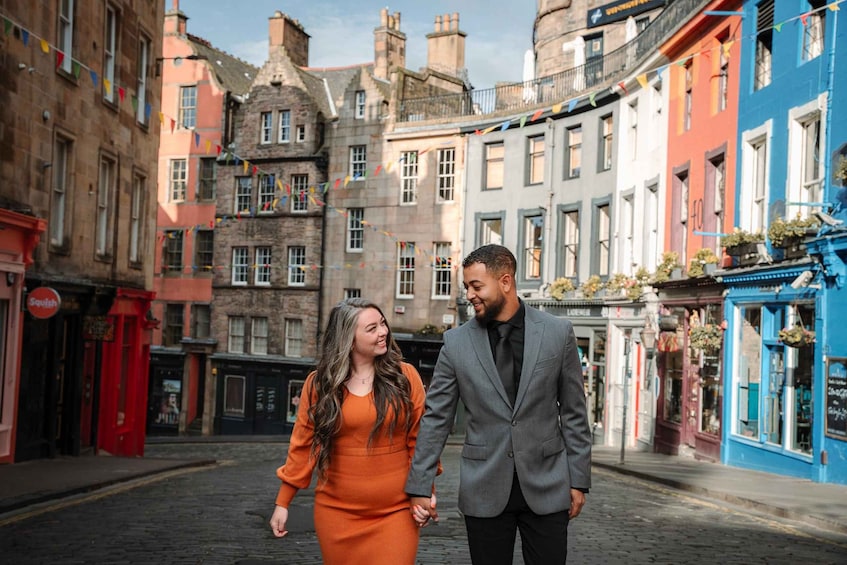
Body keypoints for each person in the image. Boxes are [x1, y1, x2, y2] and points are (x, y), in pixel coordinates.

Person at [406, 244, 592, 564]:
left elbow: (575, 413)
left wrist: (579, 481)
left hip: (548, 485)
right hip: (484, 487)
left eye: (477, 286)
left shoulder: (557, 333)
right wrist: (420, 484)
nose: (470, 295)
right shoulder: (456, 343)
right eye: (467, 287)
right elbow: (436, 418)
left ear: (505, 281)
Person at [269, 298, 433, 564]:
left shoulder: (405, 376)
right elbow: (304, 445)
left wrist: (424, 491)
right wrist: (282, 502)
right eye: (371, 328)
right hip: (337, 513)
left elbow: (421, 440)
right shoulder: (319, 383)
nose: (383, 332)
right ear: (348, 338)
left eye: (382, 324)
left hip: (396, 511)